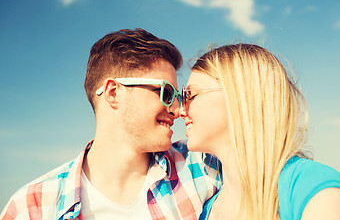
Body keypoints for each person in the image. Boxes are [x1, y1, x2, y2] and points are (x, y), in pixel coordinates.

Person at [1, 28, 221, 220]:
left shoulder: (203, 166)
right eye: (165, 92)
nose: (177, 109)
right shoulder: (31, 207)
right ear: (113, 93)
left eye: (177, 96)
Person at [180, 43, 340, 220]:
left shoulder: (313, 190)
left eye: (190, 96)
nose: (181, 110)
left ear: (238, 95)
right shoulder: (206, 210)